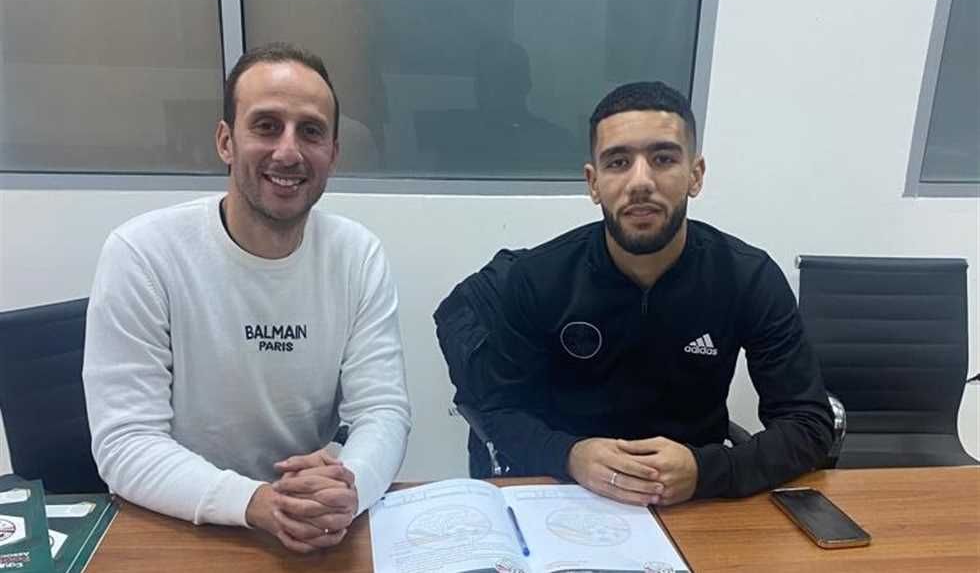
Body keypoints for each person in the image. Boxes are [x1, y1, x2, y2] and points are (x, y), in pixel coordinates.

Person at [82, 42, 411, 552]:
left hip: (314, 533)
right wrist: (258, 502)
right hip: (183, 525)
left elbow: (382, 411)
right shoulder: (142, 253)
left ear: (333, 153)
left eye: (311, 131)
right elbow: (126, 442)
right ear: (226, 141)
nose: (288, 152)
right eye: (266, 126)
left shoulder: (357, 255)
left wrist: (349, 488)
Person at [478, 81, 833, 506]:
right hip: (571, 498)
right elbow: (499, 411)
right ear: (593, 183)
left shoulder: (747, 276)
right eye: (618, 162)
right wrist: (570, 455)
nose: (640, 181)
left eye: (663, 159)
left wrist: (706, 470)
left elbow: (809, 424)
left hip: (696, 502)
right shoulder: (538, 278)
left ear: (695, 175)